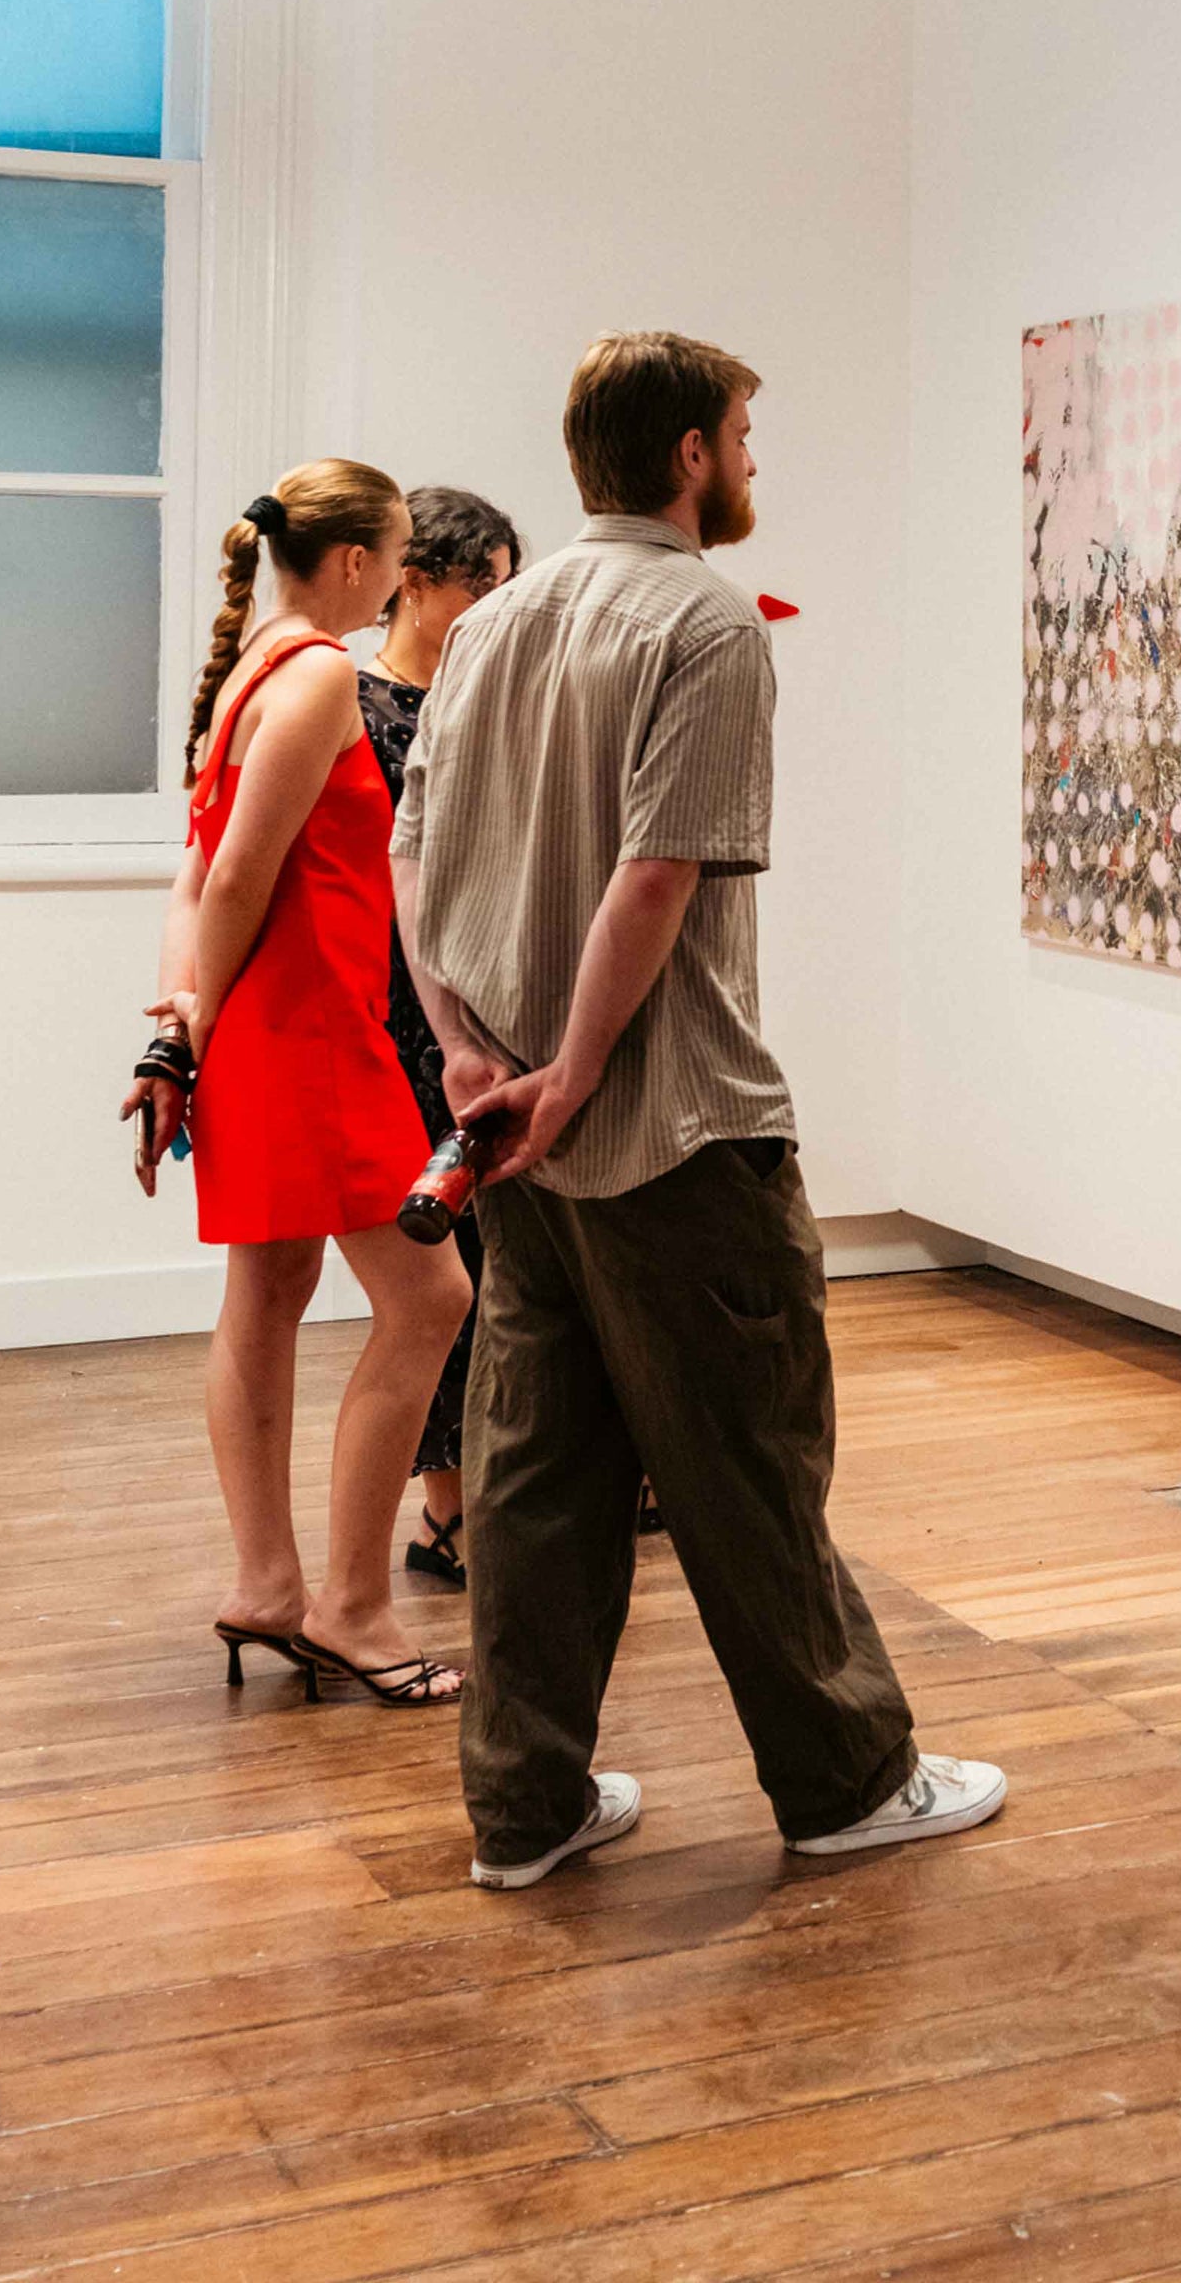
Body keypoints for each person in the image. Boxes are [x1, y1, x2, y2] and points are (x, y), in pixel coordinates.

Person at [391, 333, 1006, 1888]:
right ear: (685, 455)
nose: (750, 461)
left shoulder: (493, 623)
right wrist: (582, 1071)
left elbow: (416, 864)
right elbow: (655, 875)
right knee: (748, 1461)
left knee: (539, 1477)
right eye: (742, 433)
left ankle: (524, 1811)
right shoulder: (706, 624)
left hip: (511, 1133)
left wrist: (473, 1057)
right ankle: (849, 1779)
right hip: (673, 1130)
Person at [123, 461, 474, 1707]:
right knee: (431, 1298)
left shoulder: (249, 673)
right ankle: (356, 1611)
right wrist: (191, 1030)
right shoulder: (324, 669)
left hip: (267, 1033)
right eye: (395, 557)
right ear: (353, 566)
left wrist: (179, 1031)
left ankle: (271, 1589)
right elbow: (233, 884)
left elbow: (194, 881)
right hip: (313, 1034)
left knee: (268, 1292)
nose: (397, 580)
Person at [356, 484, 523, 1588]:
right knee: (445, 1267)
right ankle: (446, 1513)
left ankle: (485, 1499)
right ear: (414, 582)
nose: (497, 611)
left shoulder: (476, 698)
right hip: (395, 1012)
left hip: (479, 998)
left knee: (505, 1265)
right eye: (483, 588)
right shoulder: (355, 702)